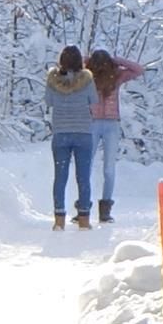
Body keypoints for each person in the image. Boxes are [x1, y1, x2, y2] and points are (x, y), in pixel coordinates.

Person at [45, 48, 98, 226]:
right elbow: (94, 100)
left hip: (61, 133)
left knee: (60, 177)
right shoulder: (87, 80)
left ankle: (59, 219)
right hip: (83, 132)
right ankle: (84, 218)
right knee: (83, 176)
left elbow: (49, 101)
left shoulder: (53, 80)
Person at [85, 46, 138, 221]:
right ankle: (84, 205)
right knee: (87, 166)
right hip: (92, 123)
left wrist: (118, 61)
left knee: (108, 168)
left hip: (111, 123)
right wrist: (88, 60)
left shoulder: (116, 76)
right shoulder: (87, 76)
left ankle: (105, 208)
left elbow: (138, 69)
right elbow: (72, 65)